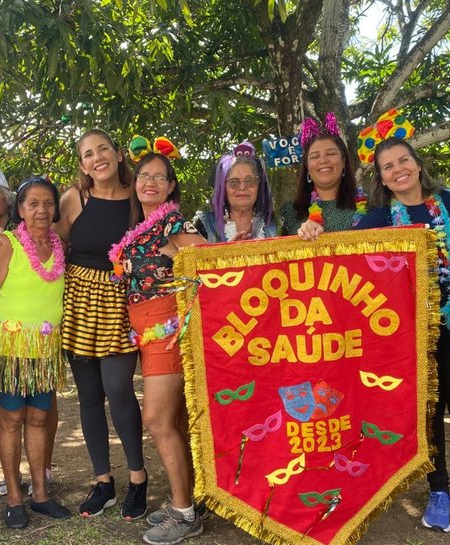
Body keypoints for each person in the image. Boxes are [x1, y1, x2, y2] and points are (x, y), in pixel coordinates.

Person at [355, 136, 450, 533]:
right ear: (381, 177)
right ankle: (438, 490)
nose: (398, 170)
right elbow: (342, 256)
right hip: (409, 338)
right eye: (388, 167)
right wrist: (312, 230)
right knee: (426, 413)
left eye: (403, 161)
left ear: (417, 163)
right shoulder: (378, 220)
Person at [109, 140, 207, 544]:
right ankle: (191, 499)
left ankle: (185, 515)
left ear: (170, 187)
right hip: (145, 331)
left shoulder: (175, 227)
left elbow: (213, 261)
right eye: (144, 175)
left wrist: (184, 316)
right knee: (173, 421)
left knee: (156, 419)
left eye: (159, 177)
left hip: (167, 330)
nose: (149, 182)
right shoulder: (141, 228)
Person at [0, 175, 72, 529]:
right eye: (33, 203)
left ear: (55, 208)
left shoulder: (60, 246)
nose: (41, 209)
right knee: (12, 418)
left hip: (44, 347)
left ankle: (41, 494)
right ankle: (15, 497)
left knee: (41, 418)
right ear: (20, 209)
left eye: (48, 203)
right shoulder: (9, 244)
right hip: (11, 345)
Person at [57, 129, 147, 519]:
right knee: (89, 395)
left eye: (103, 149)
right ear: (82, 165)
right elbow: (52, 243)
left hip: (120, 304)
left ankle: (139, 478)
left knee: (119, 388)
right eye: (88, 154)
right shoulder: (74, 199)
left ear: (118, 153)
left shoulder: (138, 197)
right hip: (78, 301)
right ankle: (104, 482)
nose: (98, 158)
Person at [279, 113, 366, 240]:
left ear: (343, 162)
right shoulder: (289, 212)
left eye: (330, 153)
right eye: (315, 156)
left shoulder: (370, 205)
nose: (323, 160)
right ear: (307, 168)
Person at [193, 141, 276, 242]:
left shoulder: (275, 224)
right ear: (224, 187)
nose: (242, 187)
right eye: (234, 182)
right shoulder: (205, 224)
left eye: (250, 180)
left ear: (259, 184)